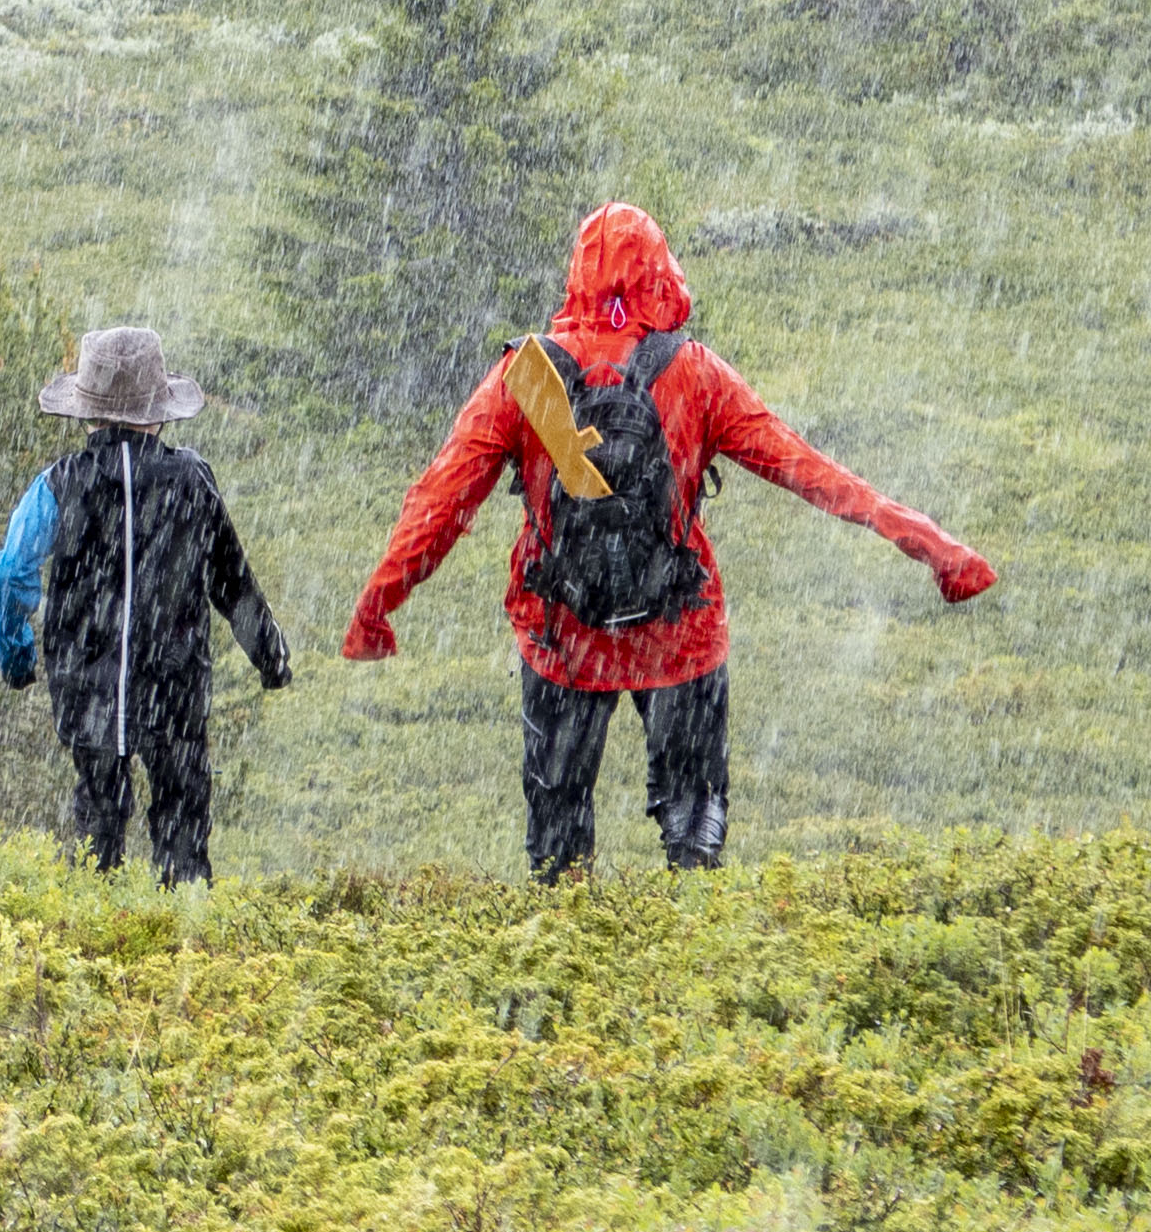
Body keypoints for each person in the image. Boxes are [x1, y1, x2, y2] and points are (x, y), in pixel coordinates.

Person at [339, 202, 995, 882]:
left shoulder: (523, 378)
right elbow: (815, 474)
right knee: (694, 816)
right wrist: (937, 549)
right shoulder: (697, 373)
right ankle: (692, 940)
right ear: (660, 271)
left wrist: (375, 609)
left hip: (562, 635)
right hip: (677, 630)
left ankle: (561, 959)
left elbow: (436, 506)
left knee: (557, 836)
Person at [0, 324, 291, 885]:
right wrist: (271, 658)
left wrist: (17, 656)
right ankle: (186, 949)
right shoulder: (192, 481)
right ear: (160, 412)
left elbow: (8, 575)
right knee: (183, 830)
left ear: (86, 412)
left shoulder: (56, 486)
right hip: (174, 689)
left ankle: (93, 949)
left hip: (85, 689)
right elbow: (233, 583)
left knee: (95, 829)